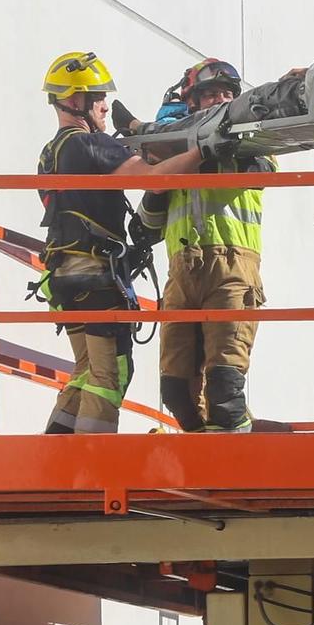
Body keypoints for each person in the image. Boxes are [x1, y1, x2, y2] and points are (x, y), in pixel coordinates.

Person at [36, 52, 204, 433]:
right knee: (110, 374)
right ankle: (93, 465)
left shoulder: (51, 152)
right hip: (95, 278)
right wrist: (202, 151)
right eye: (99, 97)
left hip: (62, 277)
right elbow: (155, 178)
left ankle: (57, 454)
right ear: (76, 101)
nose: (106, 105)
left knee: (87, 370)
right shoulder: (91, 146)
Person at [135, 58, 271, 431]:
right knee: (176, 390)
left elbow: (262, 174)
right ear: (191, 103)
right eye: (210, 94)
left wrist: (206, 152)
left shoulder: (250, 142)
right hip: (182, 273)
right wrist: (167, 170)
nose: (220, 100)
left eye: (227, 93)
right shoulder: (177, 157)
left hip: (232, 270)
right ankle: (203, 449)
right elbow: (147, 223)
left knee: (225, 389)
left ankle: (236, 457)